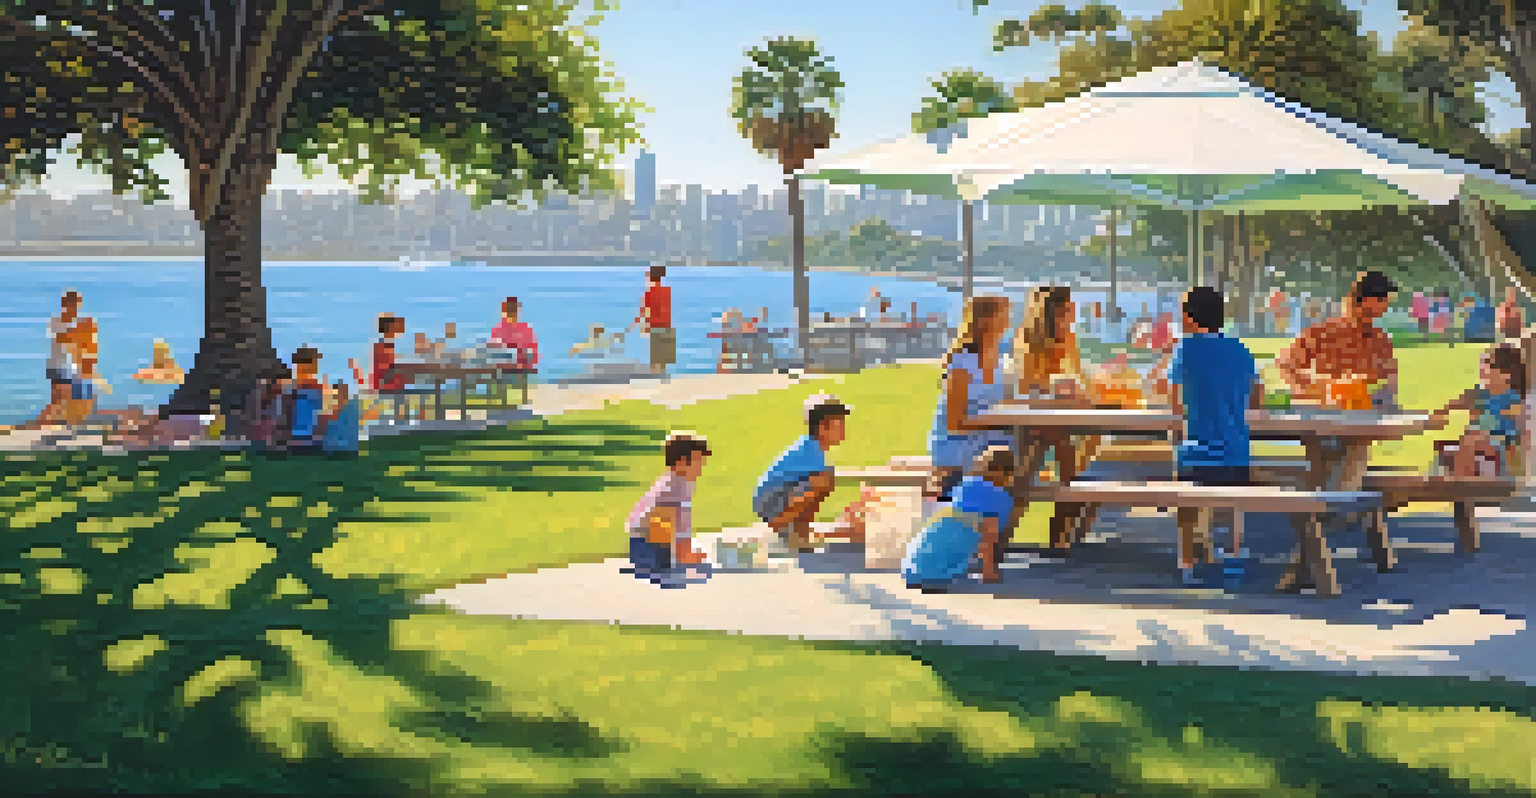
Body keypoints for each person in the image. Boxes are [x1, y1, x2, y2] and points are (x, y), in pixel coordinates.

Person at [1168, 287, 1262, 586]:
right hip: (1236, 451)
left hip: (1197, 451)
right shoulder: (1239, 348)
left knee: (1186, 504)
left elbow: (1173, 399)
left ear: (1189, 317)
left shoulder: (1188, 348)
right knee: (1233, 506)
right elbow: (1257, 395)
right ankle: (1233, 556)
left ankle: (1187, 561)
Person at [1015, 286, 1092, 551]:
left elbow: (1078, 379)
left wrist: (1079, 392)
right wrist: (1057, 390)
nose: (1072, 315)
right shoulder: (1029, 342)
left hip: (1063, 421)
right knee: (1025, 478)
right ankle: (1002, 540)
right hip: (1033, 423)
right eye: (1067, 310)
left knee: (1077, 464)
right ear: (1052, 313)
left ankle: (1060, 538)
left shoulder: (1069, 339)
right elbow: (1026, 389)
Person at [929, 295, 1014, 503]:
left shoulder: (1002, 358)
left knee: (1031, 447)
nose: (1009, 321)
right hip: (958, 443)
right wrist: (997, 424)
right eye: (1003, 314)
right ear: (985, 321)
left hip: (990, 439)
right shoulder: (962, 362)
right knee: (1015, 455)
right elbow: (954, 424)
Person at [1275, 270, 1399, 407]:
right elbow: (1287, 365)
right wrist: (1314, 389)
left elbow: (1389, 385)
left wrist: (1384, 398)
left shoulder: (1381, 340)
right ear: (1356, 299)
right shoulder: (1322, 333)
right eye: (1381, 300)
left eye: (1386, 300)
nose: (1386, 305)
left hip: (1365, 415)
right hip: (1327, 416)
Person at [902, 445, 1016, 590]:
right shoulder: (997, 497)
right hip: (932, 572)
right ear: (1005, 473)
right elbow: (988, 538)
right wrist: (989, 573)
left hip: (913, 563)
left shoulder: (964, 486)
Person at [753, 394, 852, 553]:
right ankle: (780, 527)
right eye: (839, 424)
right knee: (824, 480)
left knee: (825, 478)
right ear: (823, 428)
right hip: (770, 502)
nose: (844, 429)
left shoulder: (812, 447)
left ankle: (796, 533)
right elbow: (813, 488)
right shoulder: (811, 450)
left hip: (773, 498)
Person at [627, 432, 713, 585]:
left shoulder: (674, 481)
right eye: (698, 461)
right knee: (703, 572)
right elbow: (669, 528)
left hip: (644, 546)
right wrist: (690, 555)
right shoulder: (673, 489)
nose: (702, 466)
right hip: (650, 551)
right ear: (680, 463)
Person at [1430, 344, 1527, 477]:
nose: (1483, 369)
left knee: (1471, 441)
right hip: (1477, 446)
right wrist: (1443, 411)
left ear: (1507, 375)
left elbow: (1516, 431)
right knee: (1451, 447)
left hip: (1501, 448)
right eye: (1483, 364)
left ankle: (1464, 486)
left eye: (1490, 366)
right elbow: (1461, 401)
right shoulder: (1480, 394)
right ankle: (1460, 488)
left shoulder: (1511, 399)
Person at [40, 289, 101, 427]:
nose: (74, 307)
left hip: (72, 367)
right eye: (71, 303)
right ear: (64, 304)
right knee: (57, 399)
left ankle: (69, 423)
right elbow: (64, 337)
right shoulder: (56, 321)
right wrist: (83, 329)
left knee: (71, 399)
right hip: (56, 365)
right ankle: (49, 424)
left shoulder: (79, 322)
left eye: (76, 304)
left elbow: (85, 342)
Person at [636, 265, 675, 376]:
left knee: (655, 360)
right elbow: (667, 310)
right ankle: (663, 381)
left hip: (655, 326)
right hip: (667, 325)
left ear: (650, 277)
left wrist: (643, 325)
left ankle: (655, 380)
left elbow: (645, 312)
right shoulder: (667, 291)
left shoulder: (649, 293)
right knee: (664, 360)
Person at [286, 346, 326, 452]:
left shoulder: (290, 386)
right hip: (304, 435)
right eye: (314, 361)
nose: (316, 365)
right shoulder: (313, 386)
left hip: (297, 435)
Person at [489, 297, 539, 369]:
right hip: (506, 367)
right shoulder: (498, 330)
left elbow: (532, 355)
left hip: (516, 368)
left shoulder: (498, 330)